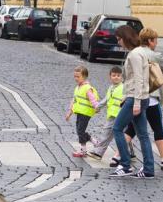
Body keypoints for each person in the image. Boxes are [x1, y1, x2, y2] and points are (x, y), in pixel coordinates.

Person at [109, 26, 156, 179]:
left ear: (125, 37)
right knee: (143, 134)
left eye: (119, 39)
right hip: (140, 98)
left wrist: (135, 102)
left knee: (117, 128)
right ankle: (148, 169)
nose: (118, 42)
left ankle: (125, 164)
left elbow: (138, 79)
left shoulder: (135, 54)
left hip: (136, 98)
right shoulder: (140, 52)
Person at [86, 67, 123, 161]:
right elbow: (107, 99)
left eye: (118, 75)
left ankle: (98, 152)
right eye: (114, 75)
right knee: (121, 134)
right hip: (112, 115)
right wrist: (98, 106)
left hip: (120, 115)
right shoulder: (111, 88)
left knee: (107, 133)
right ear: (110, 77)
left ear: (122, 77)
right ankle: (131, 153)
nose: (116, 77)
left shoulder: (123, 88)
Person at [65, 66, 100, 158]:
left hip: (86, 113)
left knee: (80, 130)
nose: (76, 78)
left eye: (78, 76)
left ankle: (83, 150)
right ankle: (94, 142)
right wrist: (70, 112)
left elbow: (92, 99)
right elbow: (74, 100)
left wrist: (96, 107)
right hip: (80, 112)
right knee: (80, 130)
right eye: (75, 76)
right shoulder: (78, 88)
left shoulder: (87, 88)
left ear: (84, 77)